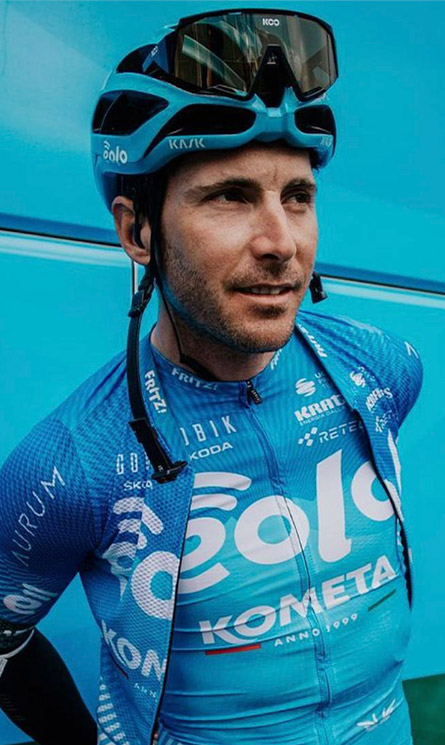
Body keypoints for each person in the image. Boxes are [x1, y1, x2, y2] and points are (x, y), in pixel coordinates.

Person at [0, 8, 422, 745]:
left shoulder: (380, 367)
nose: (281, 242)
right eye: (230, 196)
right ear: (137, 231)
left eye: (297, 197)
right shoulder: (71, 462)